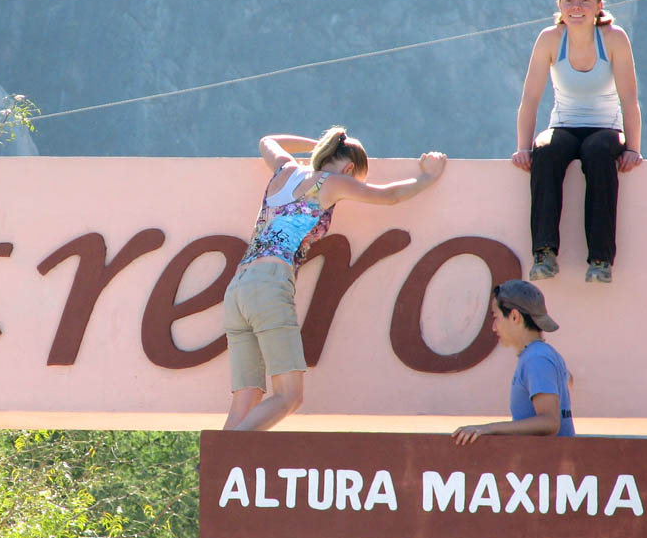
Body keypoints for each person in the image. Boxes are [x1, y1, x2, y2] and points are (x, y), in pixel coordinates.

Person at [222, 127, 447, 431]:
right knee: (289, 397)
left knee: (244, 400)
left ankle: (214, 467)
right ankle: (226, 456)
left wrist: (319, 145)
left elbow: (267, 141)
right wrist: (428, 177)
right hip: (270, 284)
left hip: (238, 287)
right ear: (349, 168)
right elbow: (390, 196)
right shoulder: (333, 182)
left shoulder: (286, 169)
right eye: (356, 180)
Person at [513, 0, 643, 284]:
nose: (576, 6)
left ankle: (600, 260)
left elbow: (629, 98)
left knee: (597, 152)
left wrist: (634, 148)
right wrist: (523, 147)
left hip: (605, 128)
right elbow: (530, 98)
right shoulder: (549, 39)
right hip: (564, 125)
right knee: (546, 150)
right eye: (569, 0)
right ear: (559, 4)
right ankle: (544, 253)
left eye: (585, 0)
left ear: (598, 5)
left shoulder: (613, 39)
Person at [452, 279, 574, 445]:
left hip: (544, 466)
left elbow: (550, 422)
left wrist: (488, 429)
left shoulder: (536, 358)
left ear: (515, 316)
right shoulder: (543, 355)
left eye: (496, 317)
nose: (494, 327)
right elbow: (568, 380)